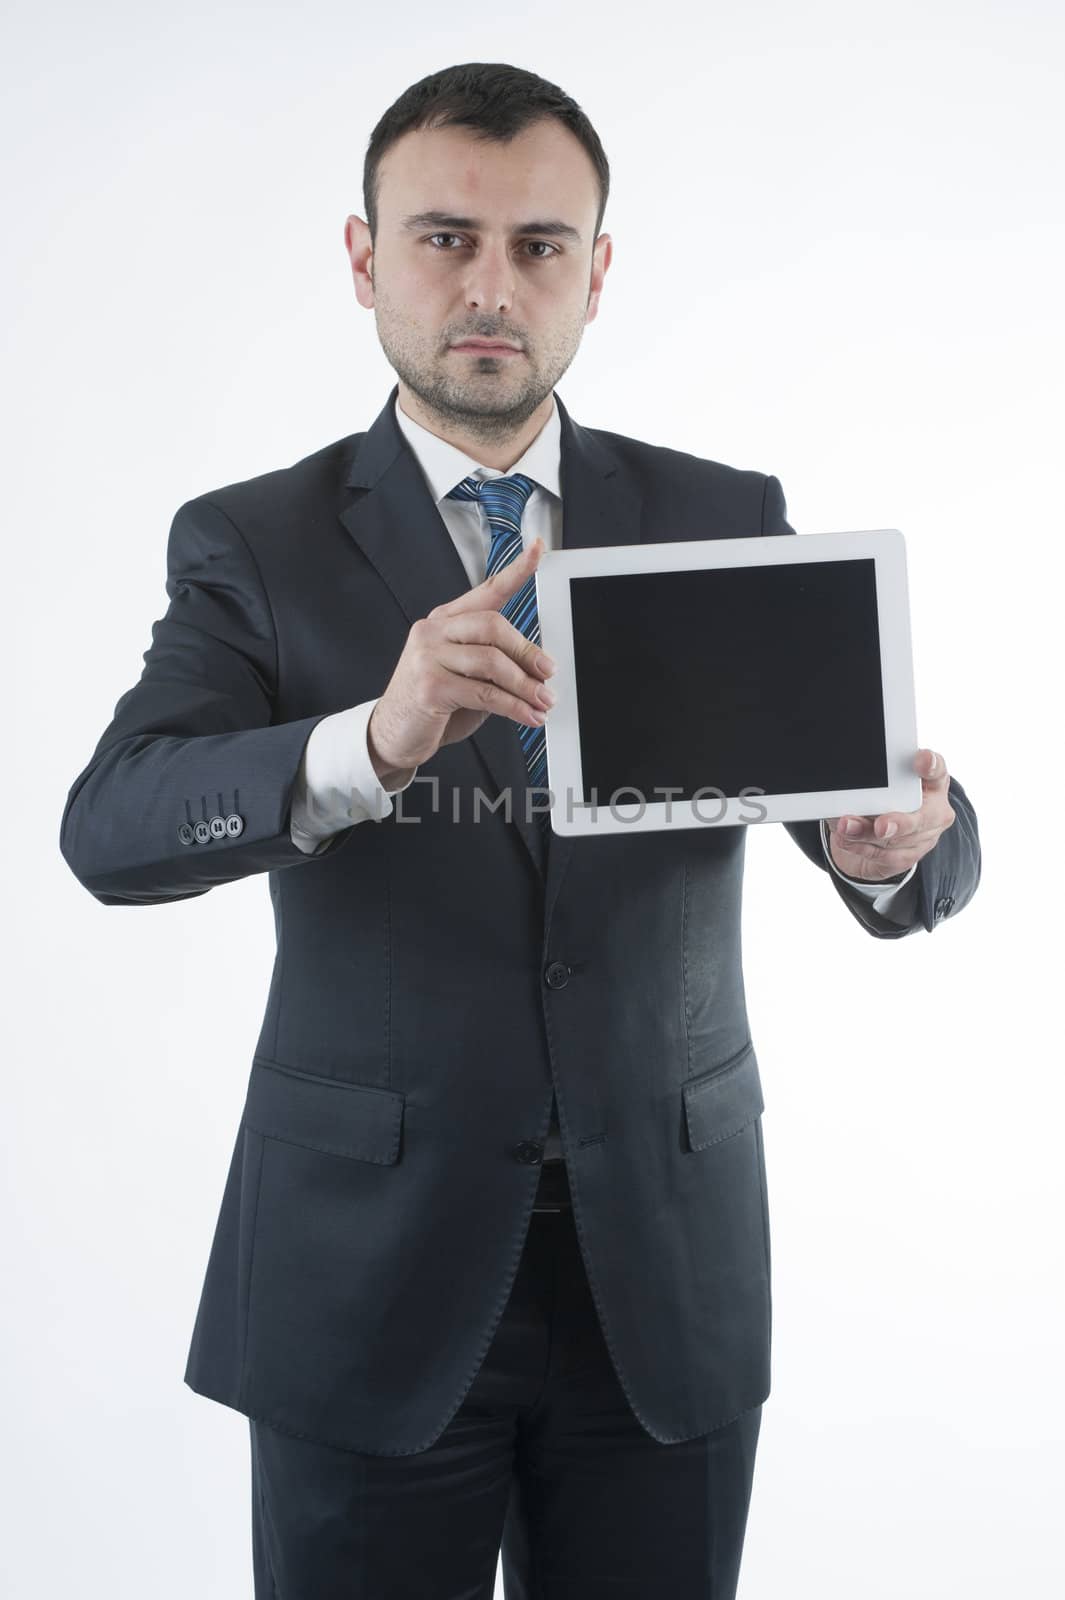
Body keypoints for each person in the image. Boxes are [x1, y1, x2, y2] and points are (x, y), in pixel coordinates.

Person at [59, 60, 981, 1600]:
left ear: (596, 273)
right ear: (363, 260)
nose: (491, 286)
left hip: (662, 1281)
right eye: (443, 240)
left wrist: (890, 854)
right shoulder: (256, 543)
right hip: (364, 1281)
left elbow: (907, 813)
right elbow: (115, 828)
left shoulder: (718, 515)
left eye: (540, 246)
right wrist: (372, 740)